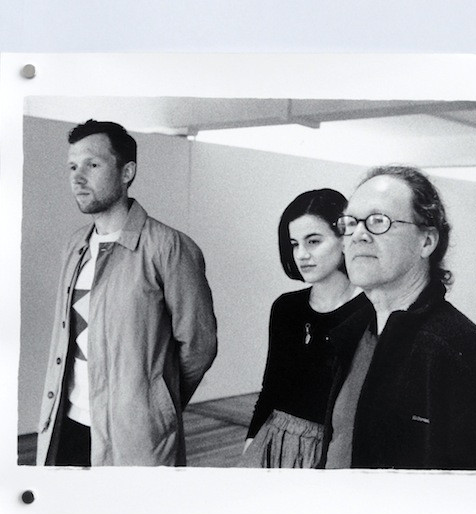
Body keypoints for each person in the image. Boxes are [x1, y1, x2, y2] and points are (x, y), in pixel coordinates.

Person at [320, 165, 476, 470]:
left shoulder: (469, 355)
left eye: (378, 221)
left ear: (427, 241)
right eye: (350, 223)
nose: (358, 235)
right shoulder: (353, 336)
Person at [36, 119, 217, 467]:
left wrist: (157, 405)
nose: (78, 177)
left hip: (135, 437)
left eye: (92, 165)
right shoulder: (75, 245)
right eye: (72, 167)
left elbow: (199, 345)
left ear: (127, 172)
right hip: (65, 423)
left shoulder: (169, 247)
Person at [240, 189, 371, 468]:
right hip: (276, 440)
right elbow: (271, 387)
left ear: (344, 238)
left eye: (313, 241)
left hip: (334, 451)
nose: (301, 255)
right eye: (294, 244)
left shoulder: (370, 311)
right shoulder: (286, 307)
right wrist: (251, 442)